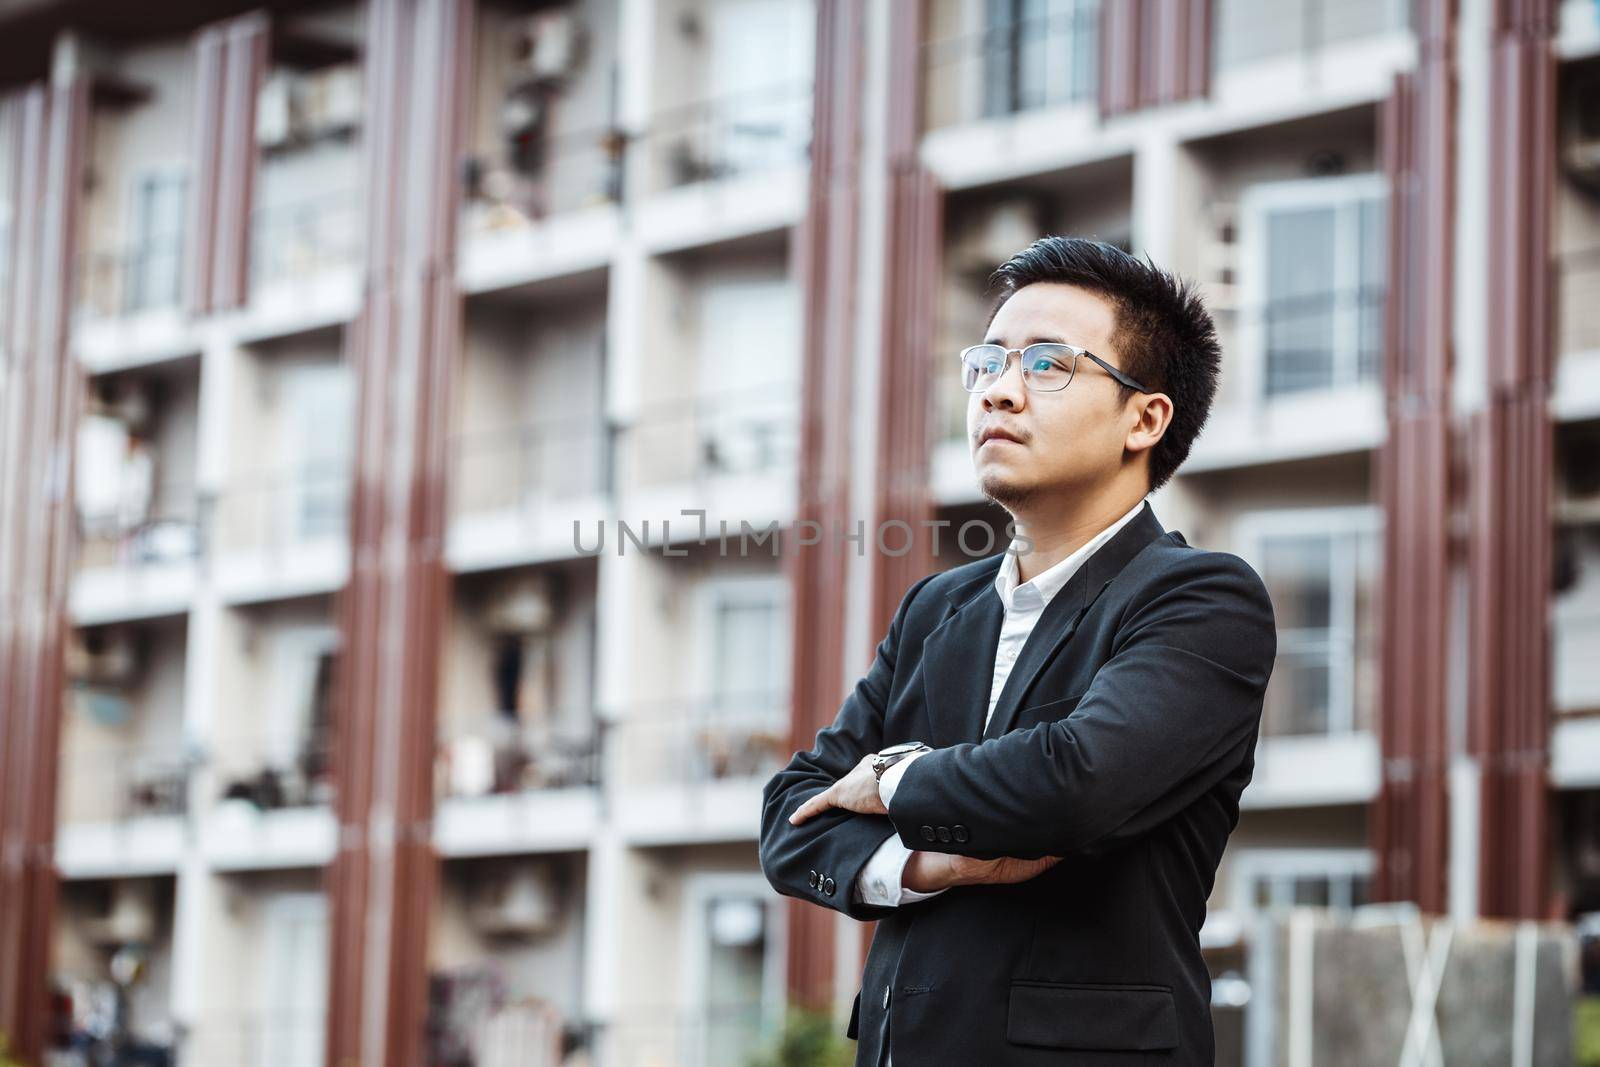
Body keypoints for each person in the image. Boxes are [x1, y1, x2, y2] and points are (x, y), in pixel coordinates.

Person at [759, 237, 1277, 1065]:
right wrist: (930, 864)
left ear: (1145, 418)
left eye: (1047, 365)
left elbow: (1076, 779)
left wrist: (892, 777)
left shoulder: (1201, 599)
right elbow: (792, 814)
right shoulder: (937, 605)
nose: (998, 391)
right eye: (987, 362)